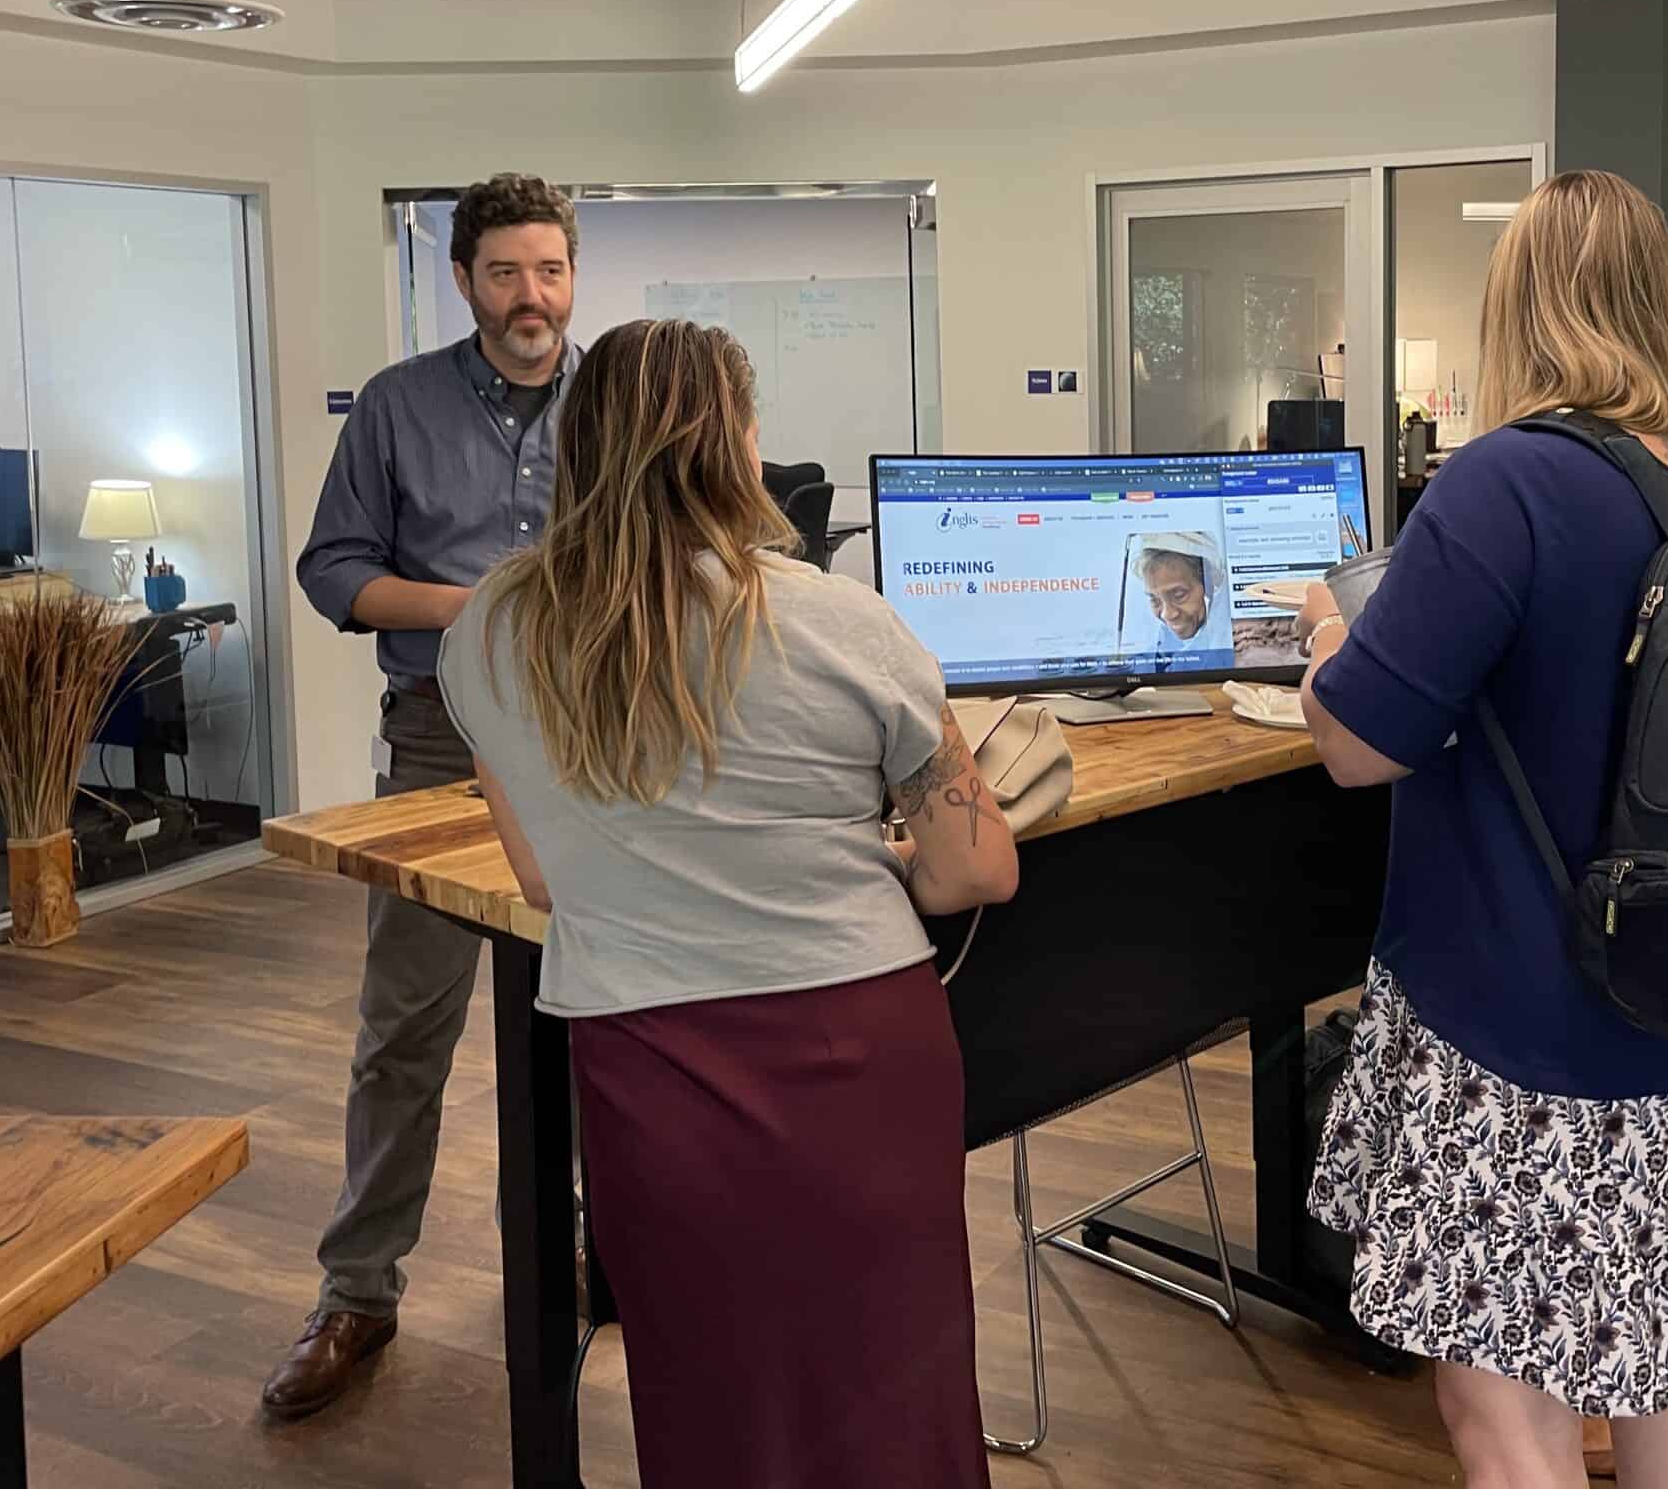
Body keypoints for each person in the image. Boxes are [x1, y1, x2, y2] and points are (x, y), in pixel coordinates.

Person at [1295, 172, 1668, 1489]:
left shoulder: (1506, 484)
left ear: (1518, 310)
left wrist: (1328, 638)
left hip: (1513, 1022)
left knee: (1504, 1415)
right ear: (1663, 299)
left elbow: (1359, 746)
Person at [438, 318, 1016, 1488]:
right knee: (895, 1380)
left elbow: (545, 877)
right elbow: (973, 871)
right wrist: (881, 854)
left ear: (582, 446)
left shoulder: (492, 632)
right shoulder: (844, 620)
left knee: (708, 1385)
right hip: (863, 1051)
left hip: (647, 1060)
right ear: (738, 446)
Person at [264, 173, 582, 1417]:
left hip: (590, 746)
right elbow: (332, 571)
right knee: (404, 1035)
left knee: (589, 1019)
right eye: (504, 272)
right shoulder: (395, 408)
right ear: (462, 281)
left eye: (549, 270)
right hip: (444, 747)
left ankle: (581, 1253)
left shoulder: (613, 401)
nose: (530, 297)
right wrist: (477, 605)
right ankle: (357, 1296)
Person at [1132, 529, 1228, 657]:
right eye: (1155, 599)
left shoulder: (1232, 647)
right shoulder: (1161, 643)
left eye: (1179, 596)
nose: (1167, 614)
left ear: (1210, 585)